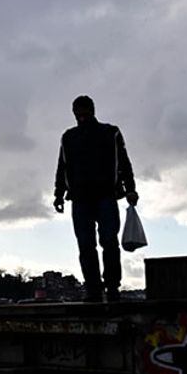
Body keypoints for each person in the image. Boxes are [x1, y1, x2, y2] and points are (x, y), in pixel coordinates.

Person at [53, 95, 138, 302]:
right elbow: (62, 166)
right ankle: (96, 289)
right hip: (84, 199)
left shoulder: (111, 133)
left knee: (107, 242)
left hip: (104, 196)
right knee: (89, 244)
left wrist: (130, 189)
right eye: (78, 113)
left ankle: (110, 287)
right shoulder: (69, 137)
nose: (81, 116)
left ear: (92, 111)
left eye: (84, 112)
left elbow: (124, 162)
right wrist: (58, 193)